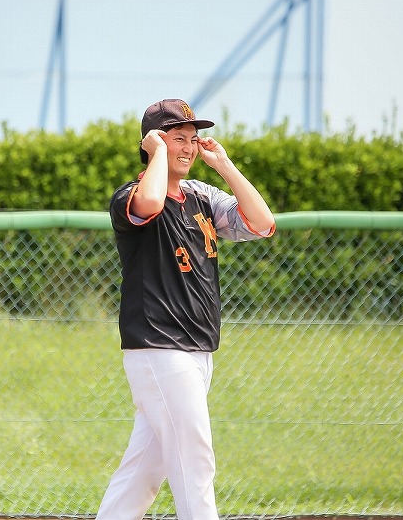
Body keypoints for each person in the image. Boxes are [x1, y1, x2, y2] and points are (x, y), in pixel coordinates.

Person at [98, 99, 276, 520]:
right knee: (195, 461)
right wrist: (159, 151)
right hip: (160, 348)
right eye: (178, 137)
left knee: (143, 473)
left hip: (197, 351)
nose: (189, 147)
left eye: (193, 139)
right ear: (153, 142)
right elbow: (151, 203)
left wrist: (225, 166)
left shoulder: (202, 198)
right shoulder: (130, 196)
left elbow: (262, 223)